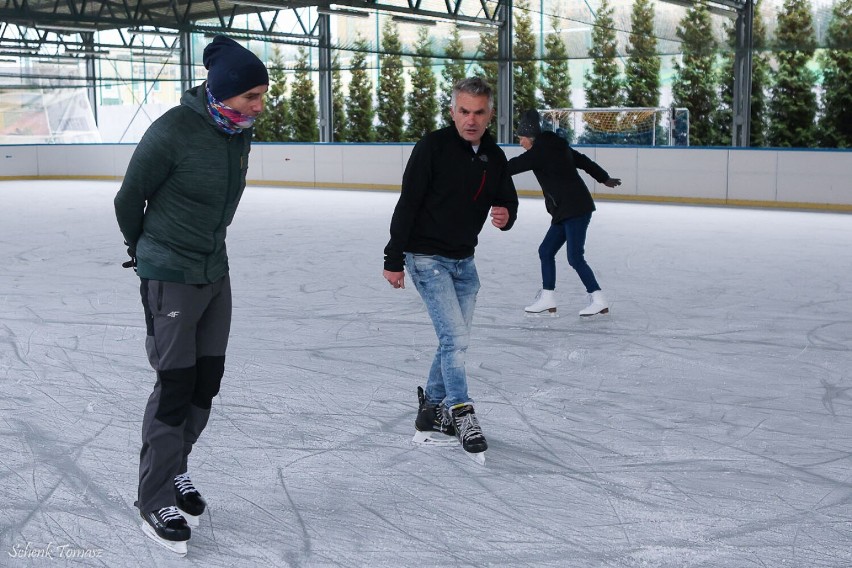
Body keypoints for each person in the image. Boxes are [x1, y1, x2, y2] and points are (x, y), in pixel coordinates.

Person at [114, 35, 268, 556]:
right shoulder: (173, 131)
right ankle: (153, 497)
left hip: (214, 270)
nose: (259, 106)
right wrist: (146, 252)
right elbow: (128, 198)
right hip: (170, 272)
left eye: (262, 95)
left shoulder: (237, 134)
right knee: (175, 385)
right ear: (222, 93)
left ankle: (176, 468)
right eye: (251, 96)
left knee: (206, 382)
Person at [383, 77, 519, 457]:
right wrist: (393, 259)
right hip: (425, 257)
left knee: (452, 341)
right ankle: (461, 410)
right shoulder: (432, 147)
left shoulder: (494, 156)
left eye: (478, 112)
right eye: (463, 111)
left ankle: (430, 413)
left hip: (464, 262)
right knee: (455, 340)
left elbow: (507, 198)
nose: (470, 120)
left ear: (490, 114)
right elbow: (408, 202)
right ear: (452, 111)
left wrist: (507, 215)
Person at [507, 109, 621, 317]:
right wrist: (603, 178)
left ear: (529, 137)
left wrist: (483, 170)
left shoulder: (538, 153)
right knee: (546, 251)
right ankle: (547, 297)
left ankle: (598, 299)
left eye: (521, 139)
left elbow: (510, 167)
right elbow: (584, 161)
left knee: (575, 257)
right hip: (566, 210)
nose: (520, 143)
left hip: (575, 209)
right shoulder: (559, 147)